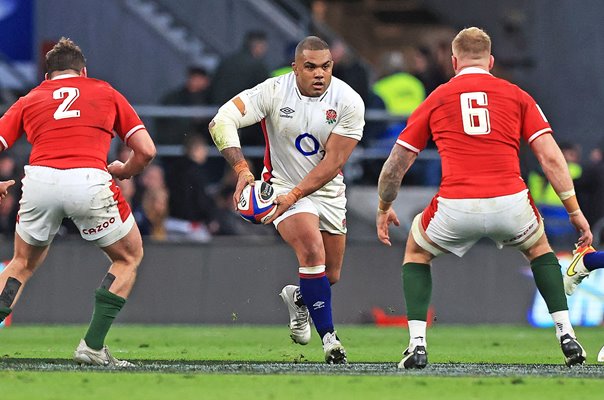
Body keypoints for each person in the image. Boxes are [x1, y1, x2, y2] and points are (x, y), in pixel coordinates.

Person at [375, 27, 591, 369]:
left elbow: (397, 163)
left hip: (456, 205)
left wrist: (384, 207)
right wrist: (575, 211)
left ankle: (417, 344)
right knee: (539, 250)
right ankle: (566, 334)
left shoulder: (437, 97)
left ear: (453, 62)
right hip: (510, 202)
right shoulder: (518, 95)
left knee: (416, 251)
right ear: (490, 61)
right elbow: (551, 158)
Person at [0, 38, 156, 367]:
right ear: (84, 72)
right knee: (129, 256)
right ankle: (93, 346)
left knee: (20, 265)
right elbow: (146, 150)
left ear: (47, 77)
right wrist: (125, 171)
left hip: (39, 181)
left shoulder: (31, 98)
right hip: (88, 179)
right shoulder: (105, 91)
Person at [208, 36, 364, 364]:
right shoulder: (274, 91)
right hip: (281, 186)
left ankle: (300, 299)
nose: (319, 73)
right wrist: (241, 169)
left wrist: (296, 194)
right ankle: (331, 341)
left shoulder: (349, 101)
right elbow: (220, 120)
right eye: (310, 67)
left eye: (326, 66)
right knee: (311, 251)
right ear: (295, 68)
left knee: (329, 275)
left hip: (327, 190)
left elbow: (332, 163)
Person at [155, 66, 212, 145]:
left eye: (200, 79)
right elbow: (167, 125)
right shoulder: (174, 98)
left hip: (206, 142)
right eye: (195, 78)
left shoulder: (211, 97)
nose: (197, 82)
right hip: (180, 142)